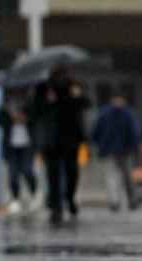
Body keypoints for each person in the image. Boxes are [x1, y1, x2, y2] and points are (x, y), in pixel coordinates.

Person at [39, 67, 91, 225]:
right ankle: (56, 206)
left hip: (71, 137)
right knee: (52, 174)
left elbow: (86, 103)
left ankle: (69, 197)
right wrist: (47, 101)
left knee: (71, 172)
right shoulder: (43, 88)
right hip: (51, 139)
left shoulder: (74, 86)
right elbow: (35, 110)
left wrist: (77, 95)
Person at [91, 94, 140, 211]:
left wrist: (99, 145)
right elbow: (134, 133)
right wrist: (135, 148)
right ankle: (131, 200)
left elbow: (95, 132)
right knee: (127, 176)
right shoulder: (128, 114)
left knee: (111, 176)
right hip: (125, 151)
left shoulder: (103, 113)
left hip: (109, 150)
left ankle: (114, 201)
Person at [0, 93, 38, 213]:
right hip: (11, 146)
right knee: (13, 174)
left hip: (27, 144)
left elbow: (36, 118)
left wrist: (25, 118)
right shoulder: (4, 105)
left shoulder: (29, 103)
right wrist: (9, 117)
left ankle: (34, 194)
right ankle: (15, 199)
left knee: (27, 170)